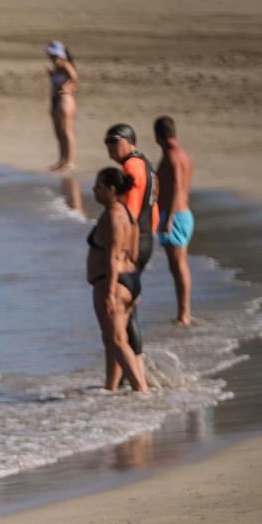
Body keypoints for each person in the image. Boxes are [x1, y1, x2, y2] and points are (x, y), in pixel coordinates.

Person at [86, 168, 148, 392]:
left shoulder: (114, 215)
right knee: (112, 340)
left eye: (98, 186)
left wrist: (110, 293)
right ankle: (110, 388)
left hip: (112, 282)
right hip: (130, 280)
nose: (94, 191)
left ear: (111, 189)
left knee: (117, 341)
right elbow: (132, 252)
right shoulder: (127, 213)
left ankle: (141, 390)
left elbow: (113, 256)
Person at [104, 122, 159, 359]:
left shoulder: (132, 167)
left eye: (114, 141)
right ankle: (134, 366)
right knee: (128, 306)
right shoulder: (145, 164)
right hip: (146, 237)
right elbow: (155, 208)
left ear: (129, 141)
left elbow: (132, 213)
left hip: (136, 240)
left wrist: (124, 248)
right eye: (106, 142)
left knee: (125, 309)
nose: (109, 147)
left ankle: (134, 365)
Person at [155, 115, 196, 325]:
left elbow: (177, 188)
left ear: (157, 137)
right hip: (183, 214)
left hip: (176, 217)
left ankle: (184, 314)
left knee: (178, 266)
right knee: (178, 266)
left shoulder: (172, 156)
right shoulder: (184, 155)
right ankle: (184, 312)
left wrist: (168, 219)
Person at [46, 41, 78, 171]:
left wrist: (69, 87)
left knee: (66, 131)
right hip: (56, 99)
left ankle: (69, 161)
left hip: (65, 99)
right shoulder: (57, 66)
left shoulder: (65, 64)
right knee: (59, 132)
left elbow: (73, 76)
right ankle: (62, 160)